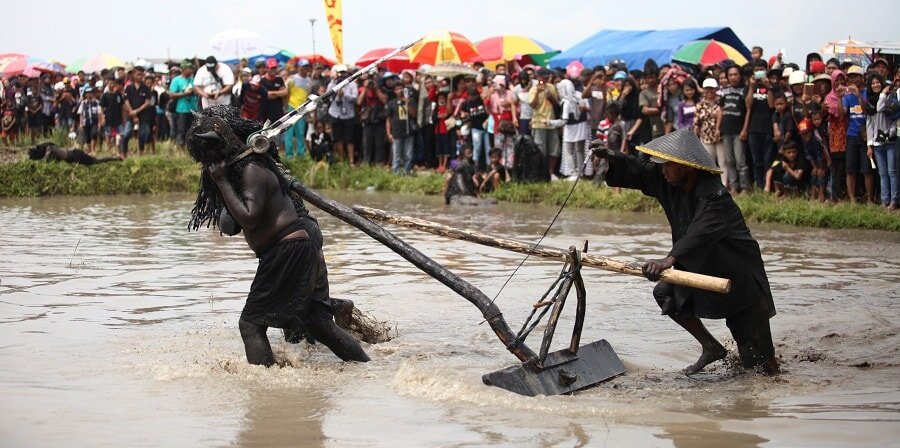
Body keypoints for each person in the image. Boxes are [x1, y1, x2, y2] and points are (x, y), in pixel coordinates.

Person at [186, 105, 369, 366]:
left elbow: (249, 217)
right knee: (318, 324)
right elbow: (230, 225)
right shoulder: (243, 169)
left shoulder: (251, 170)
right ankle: (367, 369)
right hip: (296, 247)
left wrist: (222, 183)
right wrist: (224, 186)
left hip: (286, 249)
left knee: (250, 325)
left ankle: (266, 387)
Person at [594, 129, 779, 376]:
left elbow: (702, 230)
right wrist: (612, 157)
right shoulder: (669, 180)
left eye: (668, 165)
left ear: (686, 166)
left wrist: (669, 260)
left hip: (739, 280)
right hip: (701, 269)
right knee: (666, 293)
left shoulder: (715, 195)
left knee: (762, 369)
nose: (663, 170)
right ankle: (710, 346)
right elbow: (639, 169)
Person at [866, 73, 898, 210]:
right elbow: (870, 125)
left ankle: (894, 200)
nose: (875, 85)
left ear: (882, 83)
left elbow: (882, 109)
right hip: (878, 143)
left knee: (892, 172)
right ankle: (885, 201)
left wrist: (883, 95)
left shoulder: (890, 98)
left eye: (877, 82)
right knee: (882, 173)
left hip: (890, 141)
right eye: (872, 83)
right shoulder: (869, 102)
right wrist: (870, 144)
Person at [720, 65, 751, 193]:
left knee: (741, 162)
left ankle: (745, 188)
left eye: (735, 74)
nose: (733, 77)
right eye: (730, 75)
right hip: (726, 131)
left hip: (739, 131)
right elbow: (721, 110)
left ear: (740, 75)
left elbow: (749, 109)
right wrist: (718, 128)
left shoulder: (745, 90)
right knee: (729, 161)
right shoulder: (724, 91)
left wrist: (745, 129)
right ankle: (734, 187)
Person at [746, 59, 776, 189]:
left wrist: (768, 86)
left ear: (766, 70)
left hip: (768, 128)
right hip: (753, 128)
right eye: (757, 70)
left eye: (761, 69)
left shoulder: (771, 86)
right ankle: (759, 185)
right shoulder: (750, 86)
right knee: (756, 160)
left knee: (767, 160)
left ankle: (767, 185)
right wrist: (752, 87)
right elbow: (748, 104)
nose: (759, 72)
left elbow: (771, 105)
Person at [694, 78, 727, 186]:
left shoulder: (721, 102)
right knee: (709, 163)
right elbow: (696, 122)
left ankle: (724, 185)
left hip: (720, 136)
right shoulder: (700, 104)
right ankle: (712, 186)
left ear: (715, 89)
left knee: (723, 162)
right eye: (707, 89)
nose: (709, 91)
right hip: (706, 137)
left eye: (711, 88)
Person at [529, 68, 561, 179]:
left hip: (551, 122)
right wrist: (538, 92)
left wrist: (551, 96)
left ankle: (550, 172)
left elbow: (557, 104)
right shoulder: (533, 89)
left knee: (554, 149)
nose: (546, 80)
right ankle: (541, 173)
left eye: (547, 78)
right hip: (538, 123)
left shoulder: (551, 87)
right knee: (540, 150)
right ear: (538, 78)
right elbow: (532, 105)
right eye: (544, 78)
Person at [326, 64, 358, 164]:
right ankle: (341, 160)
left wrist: (345, 94)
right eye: (340, 72)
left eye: (344, 72)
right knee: (338, 138)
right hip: (335, 113)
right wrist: (333, 82)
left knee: (350, 139)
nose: (342, 75)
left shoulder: (352, 84)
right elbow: (327, 96)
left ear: (347, 73)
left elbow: (355, 98)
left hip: (349, 114)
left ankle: (351, 161)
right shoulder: (332, 83)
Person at [386, 83, 417, 175]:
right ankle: (396, 173)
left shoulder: (410, 101)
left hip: (408, 131)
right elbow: (388, 119)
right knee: (396, 155)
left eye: (401, 88)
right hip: (396, 131)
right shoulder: (392, 103)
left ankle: (407, 172)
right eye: (397, 89)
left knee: (408, 155)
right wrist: (389, 133)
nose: (399, 90)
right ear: (394, 91)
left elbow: (414, 114)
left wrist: (407, 103)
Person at [122, 67, 153, 156]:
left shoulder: (146, 88)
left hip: (143, 114)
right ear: (134, 75)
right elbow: (126, 101)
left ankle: (141, 153)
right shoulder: (128, 88)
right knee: (127, 134)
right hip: (131, 115)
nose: (140, 77)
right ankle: (123, 153)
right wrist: (133, 113)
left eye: (141, 75)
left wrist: (136, 111)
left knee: (142, 135)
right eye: (138, 74)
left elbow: (147, 103)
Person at [169, 64, 198, 147]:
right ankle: (179, 148)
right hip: (181, 110)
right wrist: (184, 94)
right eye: (189, 69)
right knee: (181, 130)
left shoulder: (193, 80)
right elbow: (172, 95)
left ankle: (189, 148)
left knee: (192, 130)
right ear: (184, 69)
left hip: (193, 109)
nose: (191, 71)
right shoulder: (176, 80)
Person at [28, 141, 121, 165]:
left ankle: (116, 158)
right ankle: (115, 158)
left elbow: (45, 159)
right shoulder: (48, 148)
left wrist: (40, 162)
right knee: (95, 160)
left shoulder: (49, 148)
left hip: (75, 156)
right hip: (73, 154)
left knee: (96, 161)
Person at [76, 87, 102, 154]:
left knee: (94, 134)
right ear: (85, 94)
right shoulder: (83, 103)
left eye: (90, 93)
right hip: (86, 122)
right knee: (87, 138)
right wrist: (81, 123)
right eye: (88, 93)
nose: (89, 95)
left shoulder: (97, 102)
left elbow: (99, 113)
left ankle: (93, 149)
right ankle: (89, 150)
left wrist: (99, 122)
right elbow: (81, 114)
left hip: (94, 122)